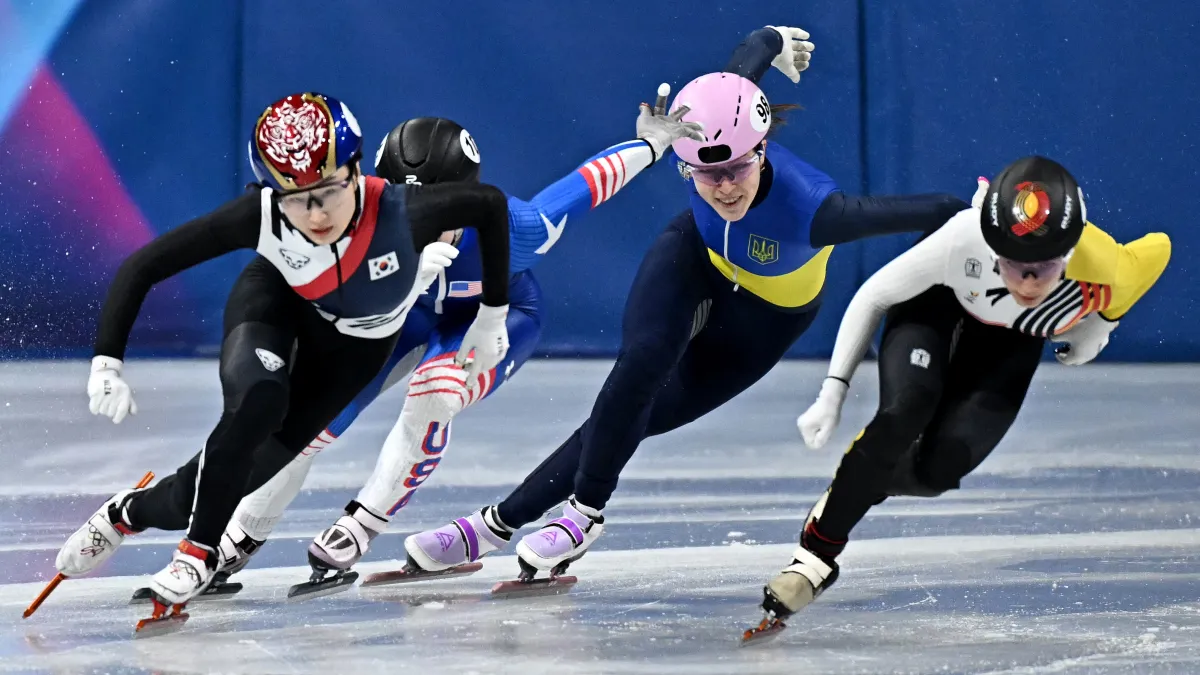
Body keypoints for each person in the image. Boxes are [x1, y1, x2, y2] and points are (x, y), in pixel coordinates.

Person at [400, 25, 972, 582]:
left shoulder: (819, 211)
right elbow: (744, 62)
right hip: (693, 256)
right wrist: (773, 37)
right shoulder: (701, 119)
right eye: (704, 173)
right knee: (637, 368)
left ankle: (508, 523)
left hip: (765, 319)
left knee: (639, 417)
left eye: (736, 169)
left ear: (763, 147)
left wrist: (985, 214)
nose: (724, 187)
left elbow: (932, 209)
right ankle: (565, 518)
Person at [176, 103, 705, 586]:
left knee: (435, 391)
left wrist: (652, 144)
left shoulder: (516, 226)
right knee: (310, 417)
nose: (425, 226)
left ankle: (362, 524)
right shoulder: (346, 228)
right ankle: (241, 536)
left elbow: (587, 185)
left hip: (492, 320)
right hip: (401, 315)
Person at [52, 92, 514, 611]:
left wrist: (492, 316)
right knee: (259, 400)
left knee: (201, 491)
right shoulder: (260, 214)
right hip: (275, 304)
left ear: (355, 170)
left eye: (328, 192)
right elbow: (143, 266)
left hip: (352, 350)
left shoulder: (409, 212)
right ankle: (197, 555)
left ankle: (123, 515)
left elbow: (490, 205)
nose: (314, 214)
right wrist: (107, 362)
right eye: (296, 198)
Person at [752, 156, 1170, 634]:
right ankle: (815, 557)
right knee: (905, 411)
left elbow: (1157, 250)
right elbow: (874, 295)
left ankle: (861, 482)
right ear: (992, 249)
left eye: (1045, 267)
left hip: (1010, 338)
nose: (1028, 283)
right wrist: (833, 391)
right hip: (934, 304)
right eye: (1014, 265)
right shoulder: (962, 237)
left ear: (1071, 253)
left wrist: (1104, 322)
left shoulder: (1107, 266)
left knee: (938, 470)